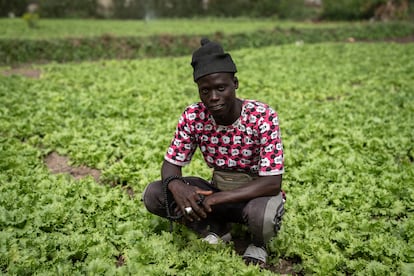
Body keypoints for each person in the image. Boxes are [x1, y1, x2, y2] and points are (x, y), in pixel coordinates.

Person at [142, 38, 285, 267]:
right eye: (205, 91)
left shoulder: (262, 116)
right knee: (155, 193)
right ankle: (215, 229)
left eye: (221, 88)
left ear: (235, 83)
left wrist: (219, 198)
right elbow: (171, 163)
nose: (213, 97)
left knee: (263, 215)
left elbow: (272, 183)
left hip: (255, 195)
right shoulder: (193, 115)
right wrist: (176, 185)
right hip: (216, 192)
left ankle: (258, 243)